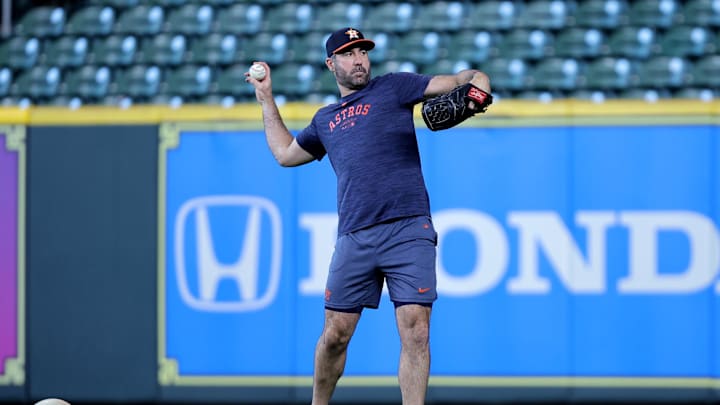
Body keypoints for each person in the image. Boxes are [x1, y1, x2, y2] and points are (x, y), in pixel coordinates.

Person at [246, 27, 492, 405]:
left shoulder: (394, 87)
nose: (359, 59)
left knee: (416, 331)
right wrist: (265, 97)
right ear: (332, 64)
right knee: (335, 335)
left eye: (363, 51)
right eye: (349, 53)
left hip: (409, 228)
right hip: (355, 236)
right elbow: (284, 154)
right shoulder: (325, 119)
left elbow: (462, 79)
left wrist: (480, 84)